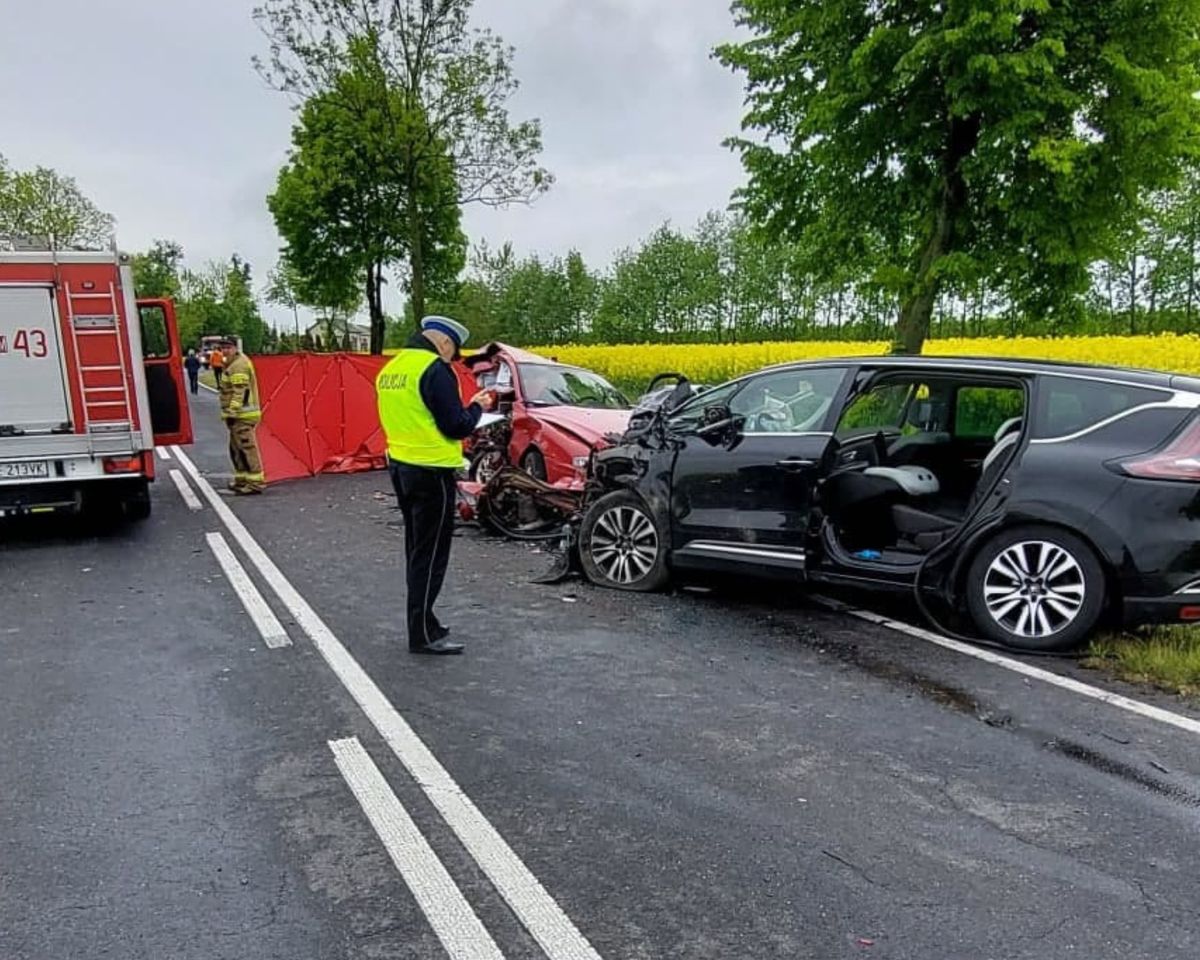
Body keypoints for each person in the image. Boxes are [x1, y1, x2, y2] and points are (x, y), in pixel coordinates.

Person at [376, 315, 495, 655]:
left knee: (416, 549)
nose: (453, 359)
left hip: (401, 466)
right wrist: (477, 407)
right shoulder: (434, 369)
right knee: (431, 555)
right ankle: (422, 634)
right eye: (454, 352)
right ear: (445, 342)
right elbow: (455, 425)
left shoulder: (393, 369)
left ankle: (425, 623)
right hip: (432, 471)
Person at [218, 338, 265, 495]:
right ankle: (242, 479)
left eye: (228, 348)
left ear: (234, 348)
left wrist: (232, 411)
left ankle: (255, 483)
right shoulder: (232, 363)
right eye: (222, 348)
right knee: (236, 449)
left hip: (242, 416)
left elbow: (240, 393)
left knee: (246, 448)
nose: (224, 351)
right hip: (239, 415)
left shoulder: (238, 365)